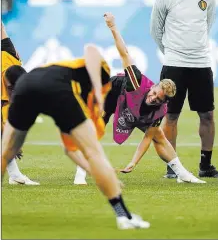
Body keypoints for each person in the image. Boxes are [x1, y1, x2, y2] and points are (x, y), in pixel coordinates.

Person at [1, 42, 150, 230]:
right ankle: (124, 217)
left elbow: (69, 150)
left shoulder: (86, 107)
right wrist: (97, 89)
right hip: (55, 89)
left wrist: (95, 172)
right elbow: (91, 49)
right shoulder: (101, 80)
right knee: (95, 153)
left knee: (6, 153)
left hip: (25, 88)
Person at [65, 13, 205, 185]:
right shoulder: (136, 81)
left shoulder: (160, 110)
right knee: (95, 129)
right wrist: (113, 28)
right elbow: (124, 53)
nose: (153, 98)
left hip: (134, 107)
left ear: (163, 102)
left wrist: (133, 162)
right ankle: (80, 173)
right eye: (153, 93)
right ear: (153, 86)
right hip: (112, 95)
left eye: (158, 99)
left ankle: (182, 174)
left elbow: (148, 137)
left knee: (159, 136)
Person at [150, 0, 218, 179]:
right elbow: (156, 30)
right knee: (171, 115)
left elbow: (207, 24)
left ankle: (206, 166)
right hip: (174, 64)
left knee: (207, 115)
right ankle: (172, 167)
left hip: (201, 63)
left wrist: (195, 49)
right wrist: (172, 53)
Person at [1, 21, 39, 185]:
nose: (13, 93)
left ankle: (15, 176)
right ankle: (14, 175)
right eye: (11, 89)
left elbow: (1, 29)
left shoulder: (11, 55)